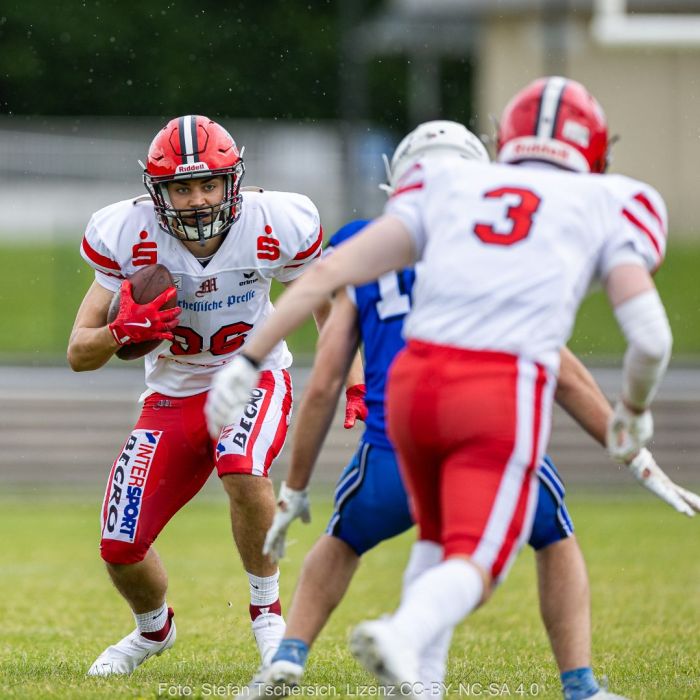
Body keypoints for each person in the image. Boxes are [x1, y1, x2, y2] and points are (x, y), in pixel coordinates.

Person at [204, 77, 679, 696]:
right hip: (497, 395)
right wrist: (634, 422)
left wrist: (249, 361)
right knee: (482, 560)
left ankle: (377, 670)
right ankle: (432, 641)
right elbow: (646, 338)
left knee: (423, 539)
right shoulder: (607, 201)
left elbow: (332, 280)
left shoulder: (442, 191)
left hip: (408, 397)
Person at [67, 115, 332, 676]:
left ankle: (267, 616)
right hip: (173, 395)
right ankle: (152, 631)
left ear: (232, 182)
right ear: (157, 192)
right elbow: (78, 351)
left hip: (252, 375)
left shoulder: (275, 220)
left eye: (207, 184)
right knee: (119, 546)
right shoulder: (126, 233)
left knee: (240, 464)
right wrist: (120, 332)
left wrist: (354, 380)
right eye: (181, 187)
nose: (195, 200)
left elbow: (329, 303)